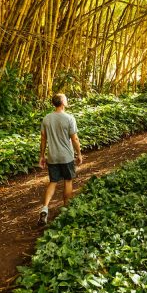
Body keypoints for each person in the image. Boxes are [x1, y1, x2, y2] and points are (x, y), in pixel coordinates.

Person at [38, 93, 82, 225]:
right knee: (68, 181)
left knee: (53, 182)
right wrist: (79, 153)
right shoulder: (69, 118)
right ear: (62, 102)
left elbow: (43, 139)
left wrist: (42, 156)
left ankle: (44, 208)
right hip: (66, 156)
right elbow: (74, 138)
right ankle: (66, 209)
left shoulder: (46, 118)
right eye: (66, 99)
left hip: (52, 156)